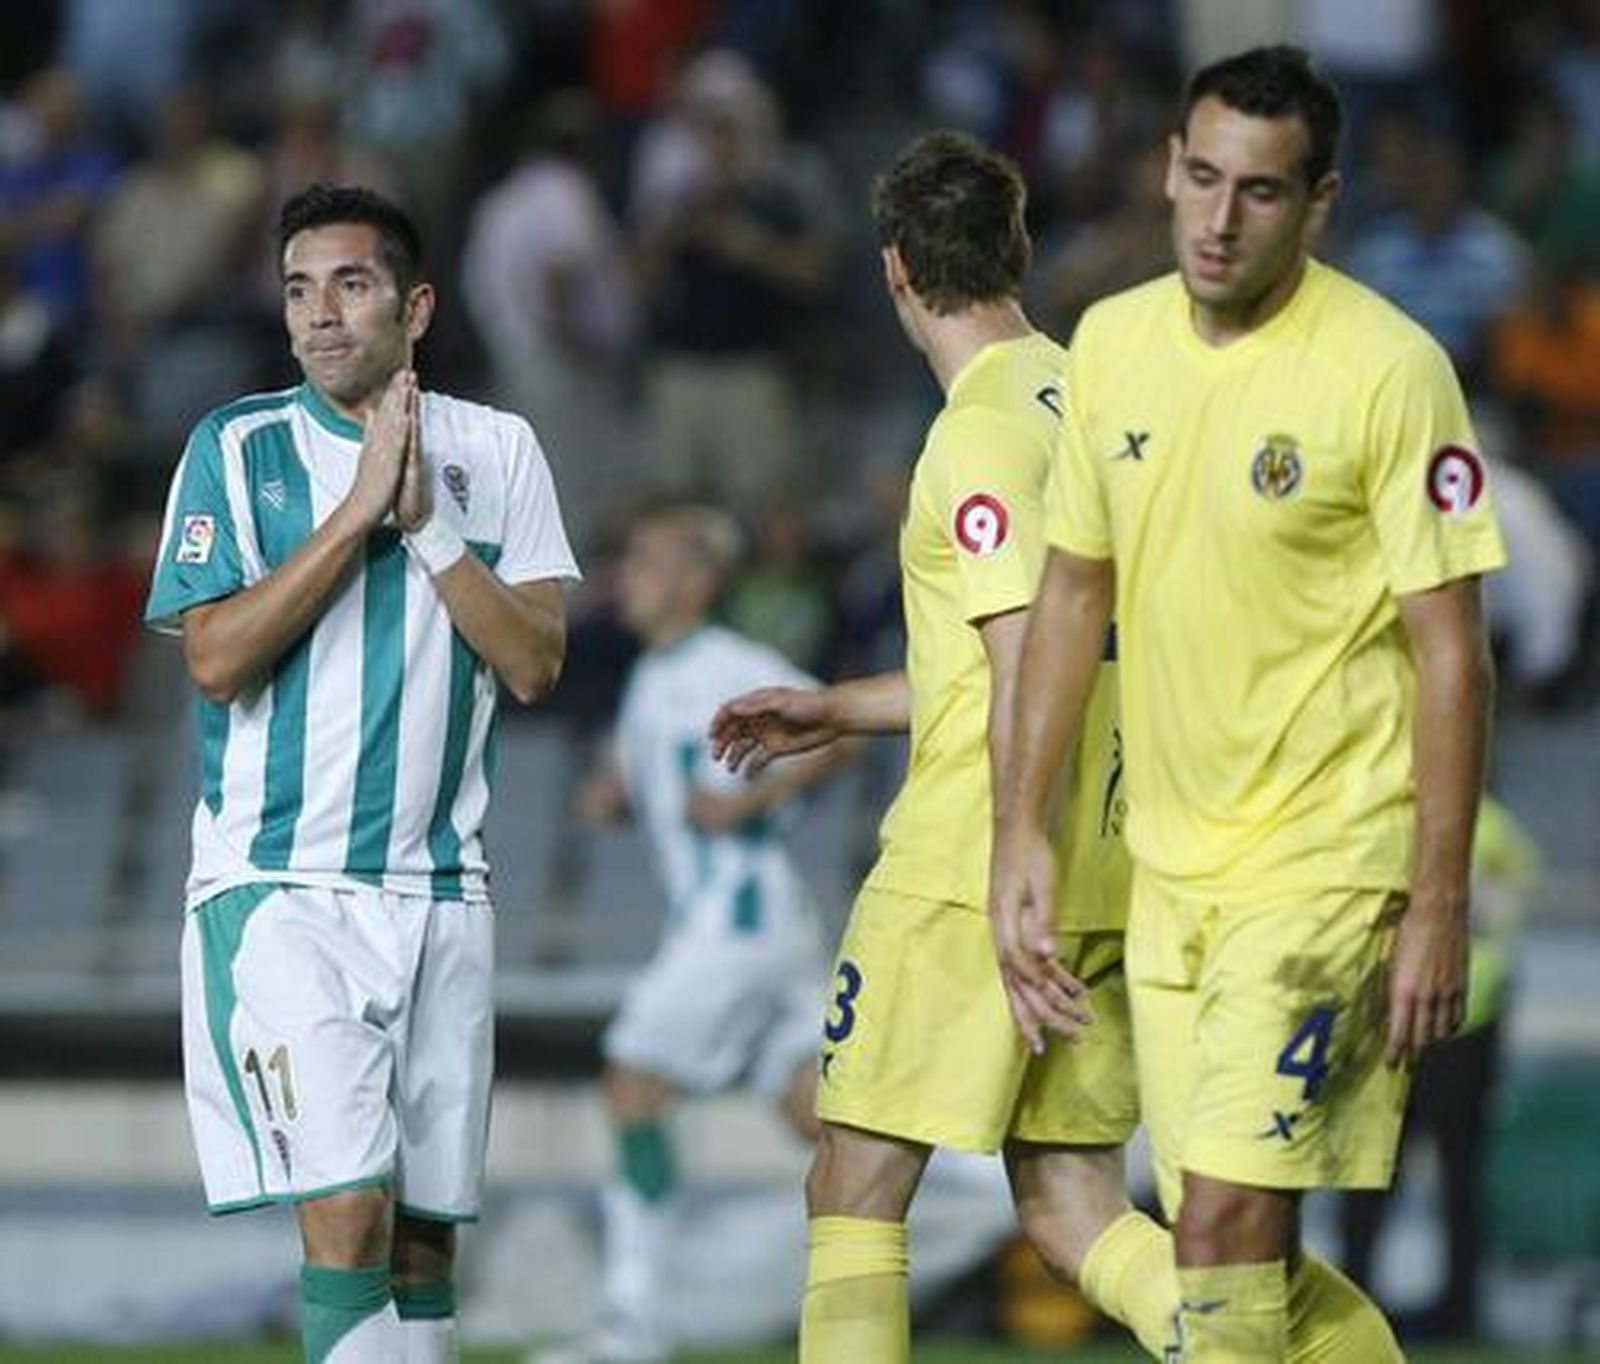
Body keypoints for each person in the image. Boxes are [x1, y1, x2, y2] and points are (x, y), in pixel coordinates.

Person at [990, 46, 1506, 1362]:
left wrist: (1437, 901)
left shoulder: (1388, 370)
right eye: (1204, 177)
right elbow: (1071, 596)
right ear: (1168, 168)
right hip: (1171, 872)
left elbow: (1453, 652)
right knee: (1234, 1247)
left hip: (1328, 865)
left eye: (1261, 191)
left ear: (1319, 202)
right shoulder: (1112, 345)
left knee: (1219, 1218)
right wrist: (1021, 828)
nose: (1220, 219)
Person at [710, 130, 1176, 1364]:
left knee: (852, 1186)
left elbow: (1029, 651)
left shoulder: (974, 436)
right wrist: (843, 706)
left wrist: (1014, 851)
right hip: (1107, 856)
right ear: (1018, 251)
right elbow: (1064, 647)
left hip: (977, 864)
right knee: (1073, 1206)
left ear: (895, 269)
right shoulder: (1090, 399)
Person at [145, 183, 578, 1364]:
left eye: (350, 283)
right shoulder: (235, 448)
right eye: (299, 289)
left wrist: (428, 526)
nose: (320, 313)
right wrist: (352, 517)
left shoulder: (499, 448)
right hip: (282, 886)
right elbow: (215, 660)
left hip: (442, 889)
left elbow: (535, 662)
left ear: (415, 306)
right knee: (347, 1211)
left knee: (424, 1242)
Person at [533, 504, 847, 1364]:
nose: (626, 578)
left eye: (647, 562)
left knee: (632, 1085)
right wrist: (615, 799)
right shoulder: (653, 676)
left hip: (734, 918)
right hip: (760, 922)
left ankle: (631, 1326)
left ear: (697, 582)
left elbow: (837, 732)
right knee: (817, 1112)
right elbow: (658, 780)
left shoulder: (730, 663)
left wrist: (751, 802)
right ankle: (1021, 1193)